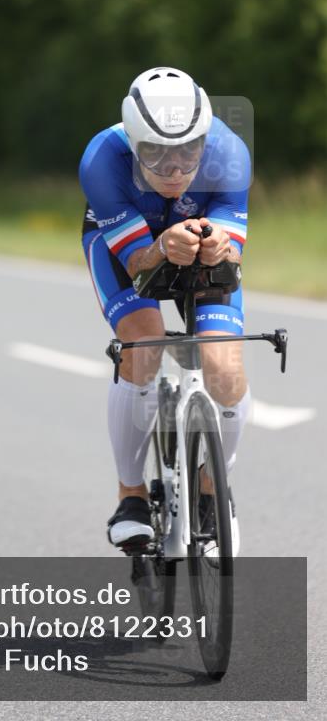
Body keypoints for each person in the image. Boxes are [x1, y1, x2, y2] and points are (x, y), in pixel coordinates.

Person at [79, 67, 250, 556]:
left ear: (205, 138)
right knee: (144, 347)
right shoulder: (101, 159)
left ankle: (214, 492)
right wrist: (159, 248)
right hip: (124, 246)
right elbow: (136, 263)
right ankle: (130, 496)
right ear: (133, 143)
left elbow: (234, 248)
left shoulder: (231, 151)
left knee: (225, 368)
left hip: (194, 244)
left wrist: (222, 245)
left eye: (188, 151)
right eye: (155, 153)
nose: (175, 168)